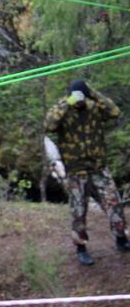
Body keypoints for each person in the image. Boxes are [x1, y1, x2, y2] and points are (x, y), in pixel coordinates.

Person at [44, 79, 129, 266]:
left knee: (114, 203)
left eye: (82, 96)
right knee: (79, 212)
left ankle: (121, 238)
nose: (80, 101)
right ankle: (81, 248)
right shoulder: (64, 111)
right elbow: (48, 125)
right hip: (76, 171)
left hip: (98, 168)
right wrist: (67, 101)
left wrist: (93, 94)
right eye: (78, 97)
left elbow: (115, 112)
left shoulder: (94, 108)